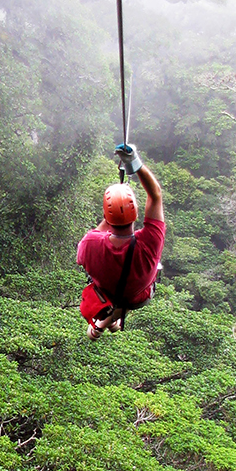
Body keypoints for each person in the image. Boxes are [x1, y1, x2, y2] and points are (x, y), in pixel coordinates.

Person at [76, 145, 165, 339]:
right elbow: (155, 194)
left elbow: (96, 234)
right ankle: (108, 323)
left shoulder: (90, 243)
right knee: (126, 298)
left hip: (107, 293)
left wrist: (112, 212)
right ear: (136, 213)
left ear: (106, 215)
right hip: (139, 297)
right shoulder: (149, 243)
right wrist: (135, 163)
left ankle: (105, 323)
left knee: (116, 296)